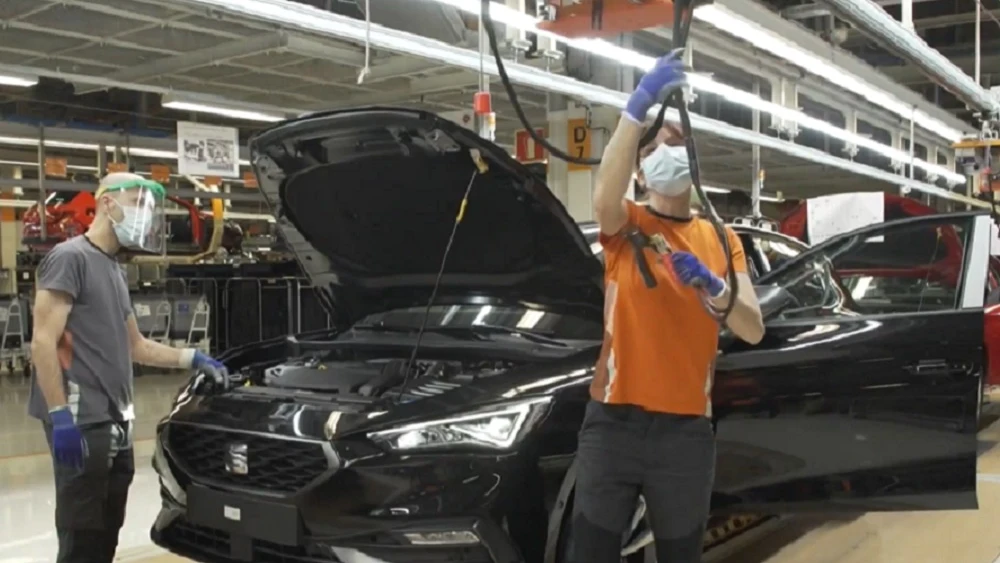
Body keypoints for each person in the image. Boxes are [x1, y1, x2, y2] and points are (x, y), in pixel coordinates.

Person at [569, 52, 765, 563]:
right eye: (652, 148)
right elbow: (602, 199)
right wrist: (636, 109)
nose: (664, 153)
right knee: (590, 552)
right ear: (640, 171)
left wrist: (715, 289)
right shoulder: (624, 225)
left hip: (685, 435)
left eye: (674, 143)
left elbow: (753, 329)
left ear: (692, 161)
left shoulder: (722, 239)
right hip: (612, 425)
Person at [28, 172, 228, 563]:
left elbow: (136, 346)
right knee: (82, 532)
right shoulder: (70, 258)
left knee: (108, 526)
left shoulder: (114, 270)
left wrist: (192, 358)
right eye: (137, 202)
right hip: (80, 417)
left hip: (115, 416)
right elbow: (42, 342)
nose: (144, 216)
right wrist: (59, 414)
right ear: (107, 203)